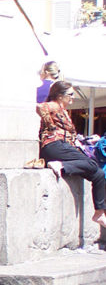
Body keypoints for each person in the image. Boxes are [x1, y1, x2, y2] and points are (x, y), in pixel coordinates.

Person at [37, 80, 106, 229]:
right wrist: (50, 125)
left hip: (63, 147)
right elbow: (41, 107)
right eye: (70, 95)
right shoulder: (55, 105)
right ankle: (60, 165)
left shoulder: (63, 110)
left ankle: (99, 212)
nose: (72, 98)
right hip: (54, 146)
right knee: (92, 164)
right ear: (60, 96)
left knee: (98, 174)